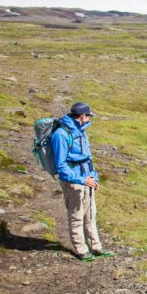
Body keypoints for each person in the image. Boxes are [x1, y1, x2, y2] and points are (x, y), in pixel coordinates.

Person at [51, 101, 111, 261]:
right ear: (82, 116)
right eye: (89, 116)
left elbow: (88, 158)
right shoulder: (61, 135)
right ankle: (81, 250)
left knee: (91, 215)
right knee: (76, 215)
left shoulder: (81, 131)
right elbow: (61, 165)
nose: (90, 118)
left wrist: (94, 177)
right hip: (73, 181)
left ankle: (96, 247)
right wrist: (81, 179)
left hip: (87, 179)